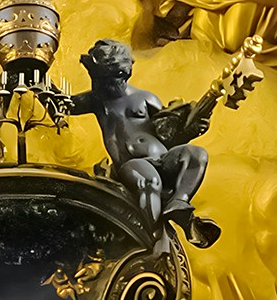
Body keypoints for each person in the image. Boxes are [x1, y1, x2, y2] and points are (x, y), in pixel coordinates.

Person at [72, 40, 212, 243]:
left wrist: (190, 131)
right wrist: (39, 82)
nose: (101, 86)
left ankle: (180, 202)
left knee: (197, 154)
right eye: (97, 79)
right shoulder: (97, 100)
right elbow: (65, 105)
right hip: (133, 164)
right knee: (149, 181)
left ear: (122, 74)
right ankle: (157, 240)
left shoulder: (146, 98)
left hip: (163, 157)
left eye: (106, 80)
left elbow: (169, 135)